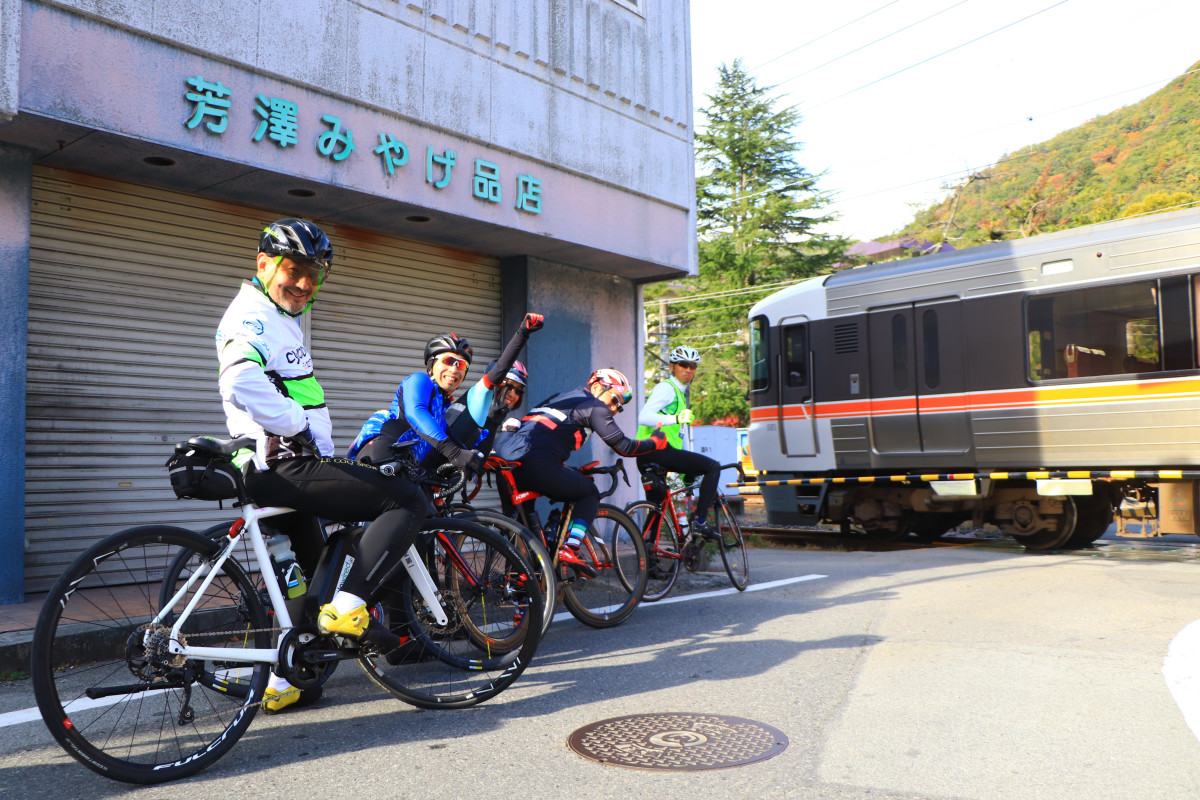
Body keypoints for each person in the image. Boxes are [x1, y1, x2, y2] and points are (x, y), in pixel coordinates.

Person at [216, 218, 428, 714]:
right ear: (264, 265)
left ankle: (290, 678)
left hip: (282, 466)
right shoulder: (252, 316)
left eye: (315, 274)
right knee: (406, 499)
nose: (305, 283)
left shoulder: (277, 316)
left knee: (315, 579)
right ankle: (352, 609)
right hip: (285, 465)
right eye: (294, 270)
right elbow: (240, 382)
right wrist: (298, 427)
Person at [492, 368, 667, 574]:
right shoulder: (595, 406)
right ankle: (571, 548)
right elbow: (624, 446)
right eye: (614, 400)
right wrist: (654, 442)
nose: (614, 409)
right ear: (596, 387)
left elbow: (541, 434)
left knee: (523, 531)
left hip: (507, 463)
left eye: (620, 407)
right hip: (536, 463)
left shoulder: (561, 397)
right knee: (589, 492)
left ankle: (520, 589)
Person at [347, 314, 543, 469]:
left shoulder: (444, 407)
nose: (454, 369)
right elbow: (417, 412)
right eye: (448, 361)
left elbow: (460, 445)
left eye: (462, 365)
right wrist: (521, 334)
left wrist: (490, 425)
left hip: (405, 465)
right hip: (380, 453)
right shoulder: (419, 380)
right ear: (432, 365)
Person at [635, 345, 722, 540]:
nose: (689, 370)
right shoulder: (667, 388)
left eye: (693, 366)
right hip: (657, 451)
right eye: (683, 365)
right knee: (712, 467)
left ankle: (648, 558)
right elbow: (644, 417)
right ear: (672, 366)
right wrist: (676, 418)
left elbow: (678, 438)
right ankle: (699, 521)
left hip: (650, 455)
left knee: (657, 510)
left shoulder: (679, 395)